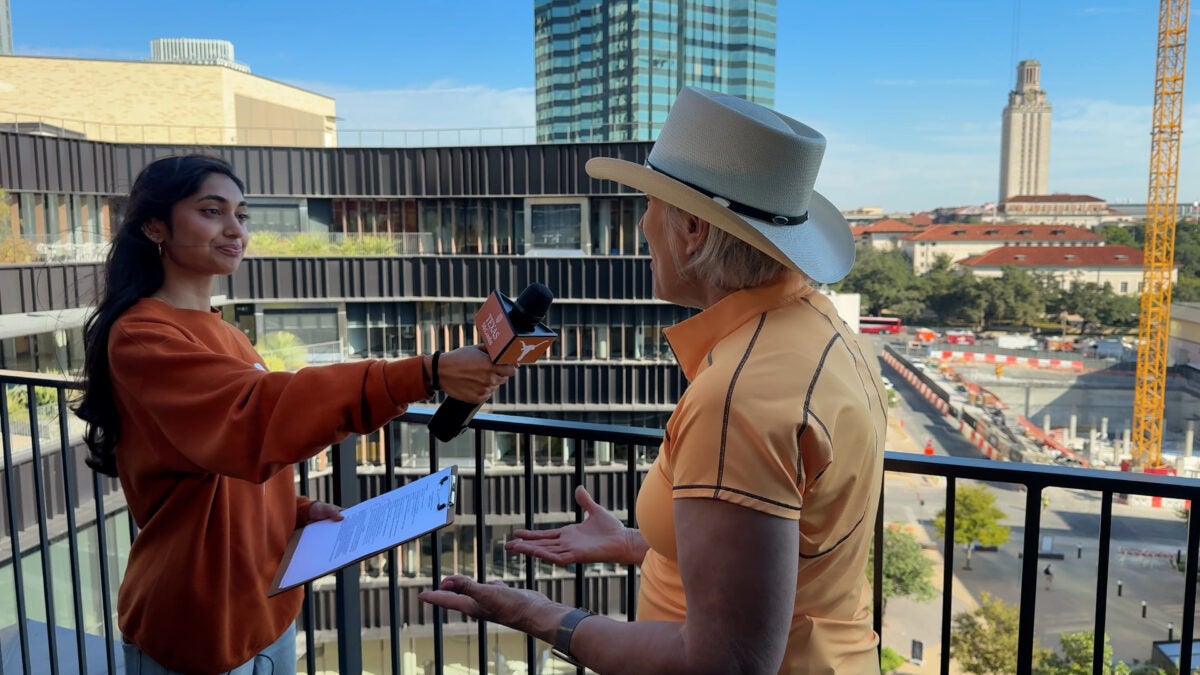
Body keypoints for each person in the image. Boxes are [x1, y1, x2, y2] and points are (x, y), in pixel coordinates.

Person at [419, 87, 887, 673]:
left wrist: (539, 616)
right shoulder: (822, 333)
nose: (642, 224)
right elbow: (793, 549)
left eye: (649, 204)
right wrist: (643, 545)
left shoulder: (737, 397)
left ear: (691, 229)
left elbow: (724, 664)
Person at [74, 154, 517, 674]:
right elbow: (253, 421)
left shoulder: (226, 332)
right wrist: (426, 371)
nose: (235, 229)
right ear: (154, 226)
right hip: (196, 621)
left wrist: (295, 510)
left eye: (242, 215)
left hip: (267, 608)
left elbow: (219, 461)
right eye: (212, 212)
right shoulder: (142, 335)